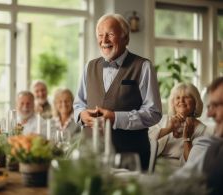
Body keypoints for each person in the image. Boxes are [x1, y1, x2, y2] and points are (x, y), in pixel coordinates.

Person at [73, 13, 162, 170]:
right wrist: (81, 115)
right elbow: (78, 104)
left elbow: (153, 113)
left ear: (126, 38)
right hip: (90, 156)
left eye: (110, 34)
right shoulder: (89, 66)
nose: (104, 40)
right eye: (100, 35)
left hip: (129, 158)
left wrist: (115, 118)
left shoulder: (143, 66)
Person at [174, 77, 223, 195]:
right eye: (210, 106)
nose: (209, 113)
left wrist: (186, 138)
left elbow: (188, 174)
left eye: (216, 105)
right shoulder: (214, 144)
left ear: (195, 102)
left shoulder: (205, 137)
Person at [149, 83, 206, 169]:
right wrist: (169, 129)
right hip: (151, 166)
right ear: (173, 102)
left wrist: (187, 137)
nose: (181, 101)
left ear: (195, 102)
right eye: (178, 98)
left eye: (186, 97)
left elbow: (193, 162)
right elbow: (144, 141)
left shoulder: (202, 130)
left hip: (179, 173)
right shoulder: (163, 119)